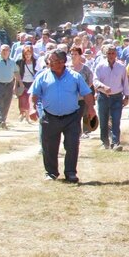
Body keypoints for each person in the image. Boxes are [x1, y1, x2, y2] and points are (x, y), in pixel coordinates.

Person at [31, 50, 96, 182]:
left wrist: (91, 108)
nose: (49, 63)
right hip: (49, 117)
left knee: (72, 145)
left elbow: (87, 94)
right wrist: (32, 108)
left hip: (71, 117)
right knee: (49, 146)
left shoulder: (75, 77)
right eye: (49, 61)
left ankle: (71, 172)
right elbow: (34, 94)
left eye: (52, 61)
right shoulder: (42, 76)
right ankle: (51, 173)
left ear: (62, 62)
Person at [93, 44, 129, 150]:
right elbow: (95, 80)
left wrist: (126, 96)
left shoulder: (121, 67)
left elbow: (125, 83)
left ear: (116, 54)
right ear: (106, 54)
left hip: (117, 97)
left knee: (116, 120)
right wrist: (103, 87)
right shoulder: (100, 66)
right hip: (103, 96)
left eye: (113, 53)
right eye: (109, 53)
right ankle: (104, 142)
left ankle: (115, 142)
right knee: (103, 120)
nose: (111, 55)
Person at [0, 44, 19, 130]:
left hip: (9, 85)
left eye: (7, 50)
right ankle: (1, 120)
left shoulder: (12, 62)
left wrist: (17, 85)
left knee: (6, 104)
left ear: (9, 51)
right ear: (0, 51)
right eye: (3, 50)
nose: (5, 52)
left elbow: (16, 73)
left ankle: (2, 120)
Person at [16, 44, 39, 123]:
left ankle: (28, 116)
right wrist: (18, 83)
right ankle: (22, 113)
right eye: (26, 54)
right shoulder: (20, 62)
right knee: (22, 99)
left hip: (32, 82)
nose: (27, 56)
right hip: (23, 82)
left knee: (30, 100)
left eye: (29, 54)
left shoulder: (36, 62)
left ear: (32, 54)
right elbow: (17, 73)